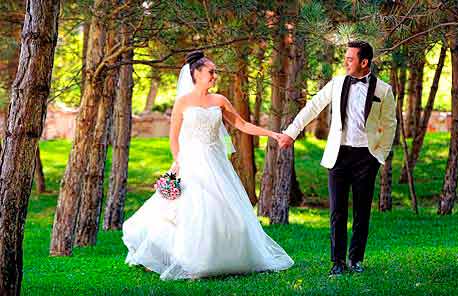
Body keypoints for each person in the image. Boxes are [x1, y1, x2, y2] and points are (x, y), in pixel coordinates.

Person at [122, 50, 294, 280]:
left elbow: (242, 125)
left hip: (216, 162)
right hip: (191, 162)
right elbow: (173, 138)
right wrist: (178, 162)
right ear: (197, 73)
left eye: (215, 72)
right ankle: (191, 260)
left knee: (226, 210)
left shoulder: (219, 100)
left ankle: (227, 257)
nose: (215, 76)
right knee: (192, 211)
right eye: (211, 72)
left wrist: (273, 134)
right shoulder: (182, 102)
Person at [278, 41, 397, 276]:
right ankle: (338, 263)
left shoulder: (383, 90)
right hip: (338, 156)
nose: (346, 62)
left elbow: (390, 124)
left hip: (366, 156)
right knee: (337, 212)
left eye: (350, 58)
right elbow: (313, 107)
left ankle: (356, 260)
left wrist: (379, 156)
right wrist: (292, 132)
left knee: (362, 212)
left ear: (364, 62)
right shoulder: (337, 83)